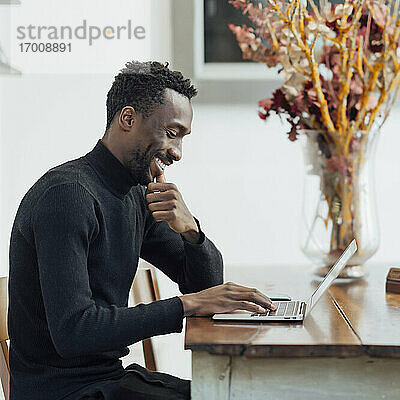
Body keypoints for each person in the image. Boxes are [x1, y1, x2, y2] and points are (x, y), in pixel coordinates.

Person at [8, 61, 276, 400]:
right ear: (128, 118)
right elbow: (75, 332)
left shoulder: (135, 193)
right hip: (66, 393)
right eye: (171, 133)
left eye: (182, 138)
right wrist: (185, 306)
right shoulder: (67, 196)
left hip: (108, 382)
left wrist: (191, 230)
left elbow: (206, 287)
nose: (177, 152)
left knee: (240, 392)